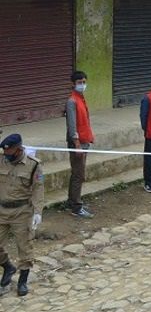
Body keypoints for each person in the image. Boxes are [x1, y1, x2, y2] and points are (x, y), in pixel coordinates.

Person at [0, 134, 43, 297]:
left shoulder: (33, 165)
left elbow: (38, 188)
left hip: (22, 212)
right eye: (5, 152)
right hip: (2, 210)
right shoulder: (2, 160)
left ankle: (22, 281)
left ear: (18, 149)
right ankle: (8, 267)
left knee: (24, 247)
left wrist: (37, 212)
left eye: (9, 152)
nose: (7, 155)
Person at [65, 70, 94, 218]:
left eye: (84, 82)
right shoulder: (72, 101)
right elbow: (72, 126)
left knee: (77, 173)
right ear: (73, 84)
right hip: (78, 143)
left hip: (84, 141)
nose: (82, 85)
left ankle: (72, 201)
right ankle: (76, 207)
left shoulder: (80, 99)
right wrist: (77, 145)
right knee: (78, 175)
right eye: (79, 82)